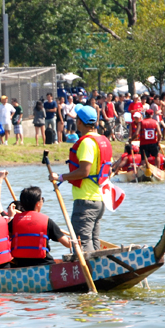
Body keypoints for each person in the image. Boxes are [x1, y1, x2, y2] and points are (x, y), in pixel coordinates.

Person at [49, 104, 112, 253]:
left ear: (79, 122)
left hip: (86, 202)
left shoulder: (87, 143)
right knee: (94, 244)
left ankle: (89, 273)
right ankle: (98, 272)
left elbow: (84, 171)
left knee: (81, 245)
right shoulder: (103, 140)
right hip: (99, 201)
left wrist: (61, 177)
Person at [9, 186, 72, 267]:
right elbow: (67, 244)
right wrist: (75, 242)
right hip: (43, 264)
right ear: (38, 203)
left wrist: (11, 218)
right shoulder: (47, 221)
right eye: (42, 199)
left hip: (20, 264)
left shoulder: (14, 221)